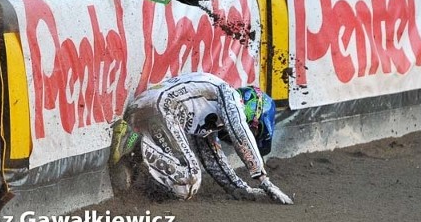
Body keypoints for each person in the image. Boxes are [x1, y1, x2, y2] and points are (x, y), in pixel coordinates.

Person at [110, 72, 293, 204]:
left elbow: (213, 159)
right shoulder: (229, 96)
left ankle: (132, 155)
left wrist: (240, 189)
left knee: (188, 180)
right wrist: (263, 179)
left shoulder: (208, 109)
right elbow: (240, 133)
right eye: (254, 128)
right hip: (160, 109)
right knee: (190, 180)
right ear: (253, 110)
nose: (251, 132)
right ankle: (132, 136)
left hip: (148, 108)